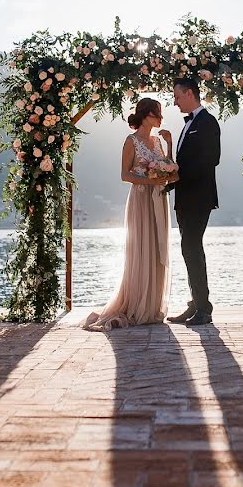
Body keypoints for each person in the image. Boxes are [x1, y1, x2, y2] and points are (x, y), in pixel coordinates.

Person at [83, 98, 177, 331]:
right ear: (145, 115)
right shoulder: (131, 141)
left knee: (157, 249)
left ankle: (152, 306)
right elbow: (124, 175)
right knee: (141, 248)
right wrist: (149, 179)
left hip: (158, 197)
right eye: (157, 114)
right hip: (141, 198)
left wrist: (170, 144)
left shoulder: (157, 141)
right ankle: (137, 304)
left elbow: (170, 167)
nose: (160, 119)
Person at [165, 78, 221, 326]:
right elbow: (185, 162)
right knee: (188, 249)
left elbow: (211, 160)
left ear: (190, 93)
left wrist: (179, 175)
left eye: (177, 96)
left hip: (199, 197)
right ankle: (196, 304)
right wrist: (171, 181)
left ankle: (204, 309)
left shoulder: (208, 123)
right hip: (184, 196)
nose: (175, 102)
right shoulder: (188, 125)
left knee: (193, 248)